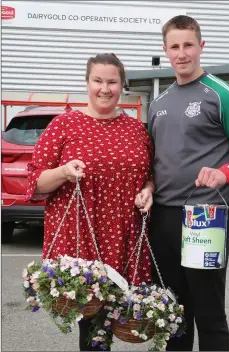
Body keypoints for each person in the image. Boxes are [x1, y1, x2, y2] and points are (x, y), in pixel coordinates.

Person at [147, 15, 229, 351]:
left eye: (188, 44)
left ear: (201, 47)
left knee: (208, 310)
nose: (182, 53)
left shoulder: (221, 95)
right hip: (163, 217)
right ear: (165, 50)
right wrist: (148, 186)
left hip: (206, 215)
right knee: (172, 311)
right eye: (175, 46)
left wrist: (224, 173)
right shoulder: (158, 104)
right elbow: (155, 162)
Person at [25, 53, 154, 351]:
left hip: (123, 234)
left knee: (117, 316)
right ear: (87, 83)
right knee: (91, 320)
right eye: (98, 81)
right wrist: (64, 171)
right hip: (83, 234)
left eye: (112, 81)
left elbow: (149, 174)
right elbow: (36, 183)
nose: (105, 89)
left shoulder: (136, 129)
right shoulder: (64, 125)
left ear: (122, 85)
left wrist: (149, 190)